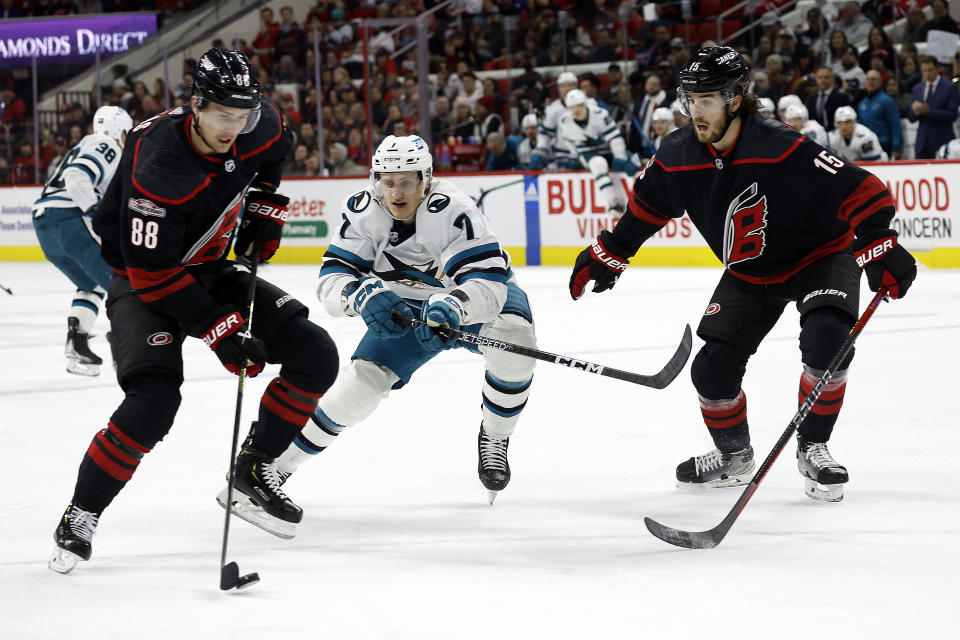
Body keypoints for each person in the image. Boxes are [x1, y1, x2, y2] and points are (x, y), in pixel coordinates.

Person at [568, 47, 917, 503]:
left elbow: (863, 188)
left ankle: (813, 446)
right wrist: (609, 253)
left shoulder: (779, 143)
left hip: (820, 255)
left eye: (707, 100)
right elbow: (646, 210)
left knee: (828, 342)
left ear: (735, 99)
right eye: (689, 99)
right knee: (711, 372)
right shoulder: (676, 153)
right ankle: (734, 457)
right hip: (750, 271)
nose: (695, 111)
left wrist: (879, 244)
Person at [48, 49, 340, 573]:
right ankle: (80, 513)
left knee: (315, 353)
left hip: (207, 267)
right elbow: (154, 273)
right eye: (223, 115)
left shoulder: (257, 122)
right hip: (144, 283)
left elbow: (277, 144)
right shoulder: (157, 162)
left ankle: (252, 471)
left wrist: (265, 207)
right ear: (197, 105)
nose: (235, 127)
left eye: (243, 114)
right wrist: (222, 331)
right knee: (154, 403)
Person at [270, 135, 538, 521]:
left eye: (407, 181)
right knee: (359, 388)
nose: (396, 192)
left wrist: (454, 306)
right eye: (387, 180)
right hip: (406, 310)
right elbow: (331, 281)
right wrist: (358, 295)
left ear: (425, 180)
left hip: (467, 299)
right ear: (374, 179)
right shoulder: (362, 212)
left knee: (515, 343)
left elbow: (490, 283)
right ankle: (277, 467)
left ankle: (495, 434)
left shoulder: (454, 209)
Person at [32, 106, 132, 376]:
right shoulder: (107, 144)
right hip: (67, 220)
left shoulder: (87, 142)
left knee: (89, 283)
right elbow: (77, 176)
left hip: (46, 225)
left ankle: (77, 344)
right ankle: (127, 348)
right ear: (121, 131)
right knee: (123, 284)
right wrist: (97, 214)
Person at [557, 89, 636, 217]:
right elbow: (568, 141)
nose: (576, 110)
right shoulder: (565, 121)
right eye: (572, 107)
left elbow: (615, 138)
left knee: (632, 162)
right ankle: (614, 203)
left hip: (609, 150)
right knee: (598, 164)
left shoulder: (600, 115)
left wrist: (620, 156)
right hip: (588, 153)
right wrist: (574, 156)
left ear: (585, 104)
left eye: (579, 105)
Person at [908, 56, 960, 159]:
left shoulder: (950, 87)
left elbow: (953, 115)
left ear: (937, 69)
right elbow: (911, 117)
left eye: (930, 70)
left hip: (942, 141)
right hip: (922, 143)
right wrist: (915, 111)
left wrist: (929, 111)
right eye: (924, 70)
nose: (927, 73)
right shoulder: (917, 89)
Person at [531, 71, 583, 169]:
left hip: (585, 153)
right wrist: (541, 149)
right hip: (562, 157)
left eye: (570, 85)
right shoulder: (553, 109)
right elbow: (546, 133)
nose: (567, 89)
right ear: (558, 89)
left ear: (576, 86)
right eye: (563, 86)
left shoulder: (589, 105)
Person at [858, 69, 903, 159]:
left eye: (874, 79)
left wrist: (896, 148)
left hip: (884, 147)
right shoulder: (862, 104)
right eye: (868, 79)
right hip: (866, 147)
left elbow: (896, 125)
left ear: (880, 82)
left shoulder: (887, 101)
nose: (870, 81)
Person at [806, 66, 851, 131]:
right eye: (820, 77)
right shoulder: (811, 99)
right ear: (816, 79)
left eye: (826, 77)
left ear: (833, 79)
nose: (823, 80)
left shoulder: (843, 98)